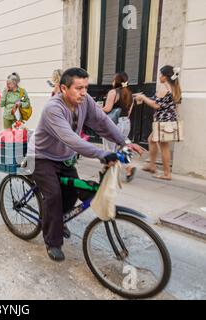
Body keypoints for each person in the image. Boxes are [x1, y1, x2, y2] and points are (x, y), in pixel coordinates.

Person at [28, 67, 144, 262]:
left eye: (86, 87)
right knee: (54, 195)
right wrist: (102, 154)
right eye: (78, 88)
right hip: (40, 157)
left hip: (63, 157)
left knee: (73, 191)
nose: (83, 92)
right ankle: (52, 241)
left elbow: (102, 121)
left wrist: (123, 142)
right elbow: (71, 139)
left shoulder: (85, 101)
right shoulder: (53, 109)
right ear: (64, 89)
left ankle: (57, 220)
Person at [135, 65, 182, 181]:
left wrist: (143, 98)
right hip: (169, 120)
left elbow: (156, 105)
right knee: (151, 140)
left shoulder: (164, 88)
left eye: (161, 74)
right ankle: (152, 165)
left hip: (163, 121)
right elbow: (166, 103)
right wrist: (144, 96)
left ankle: (167, 173)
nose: (159, 77)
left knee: (164, 147)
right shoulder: (174, 87)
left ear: (165, 77)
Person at [102, 72, 137, 182]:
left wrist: (96, 108)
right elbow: (129, 113)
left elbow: (107, 109)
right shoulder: (130, 94)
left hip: (114, 123)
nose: (112, 81)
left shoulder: (113, 92)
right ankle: (128, 167)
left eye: (113, 79)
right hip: (126, 123)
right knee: (121, 147)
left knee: (110, 149)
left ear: (116, 81)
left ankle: (110, 174)